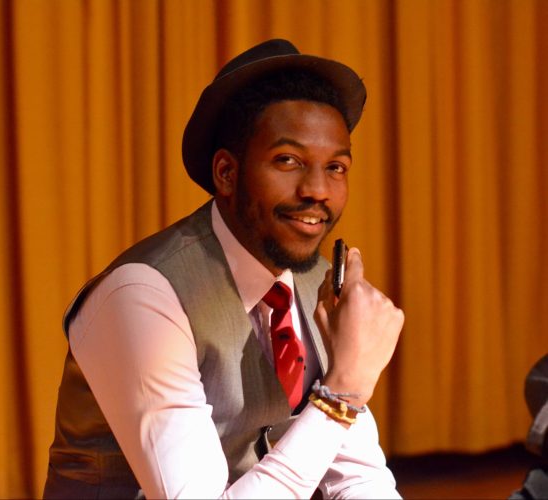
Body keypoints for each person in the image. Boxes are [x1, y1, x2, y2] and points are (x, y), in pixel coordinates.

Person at [44, 39, 404, 499]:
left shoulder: (316, 279)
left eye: (336, 167)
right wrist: (341, 395)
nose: (318, 190)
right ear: (226, 174)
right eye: (288, 161)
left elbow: (359, 477)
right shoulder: (143, 295)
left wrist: (345, 394)